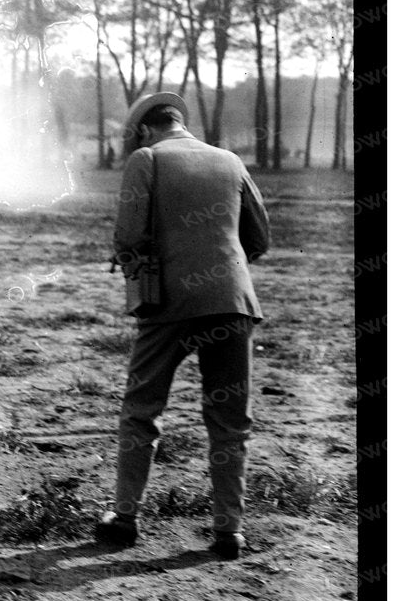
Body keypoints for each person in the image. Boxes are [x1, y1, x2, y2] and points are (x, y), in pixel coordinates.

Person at [95, 90, 271, 560]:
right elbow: (259, 237)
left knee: (142, 409)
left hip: (168, 305)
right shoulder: (230, 161)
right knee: (230, 420)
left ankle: (125, 519)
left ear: (145, 130)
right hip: (232, 302)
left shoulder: (147, 159)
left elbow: (128, 236)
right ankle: (229, 531)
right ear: (179, 121)